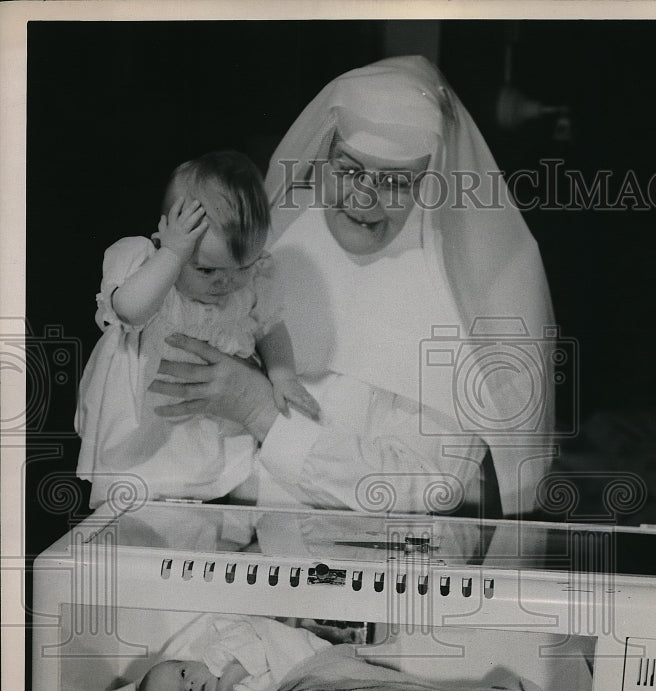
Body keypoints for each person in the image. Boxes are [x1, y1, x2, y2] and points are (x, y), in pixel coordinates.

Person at [79, 57, 556, 516]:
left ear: (432, 183)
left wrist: (258, 409)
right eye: (349, 170)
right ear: (324, 154)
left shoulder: (462, 297)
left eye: (396, 182)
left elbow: (432, 486)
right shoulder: (267, 249)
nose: (364, 199)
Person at [76, 150, 318, 505]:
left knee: (232, 486)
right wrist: (172, 255)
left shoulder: (250, 286)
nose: (227, 283)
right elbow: (129, 311)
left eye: (243, 266)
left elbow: (270, 328)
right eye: (206, 270)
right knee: (142, 499)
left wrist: (283, 376)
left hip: (212, 420)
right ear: (168, 235)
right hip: (147, 423)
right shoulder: (147, 265)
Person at [136, 615, 330, 691]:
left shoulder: (218, 656)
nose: (188, 686)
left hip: (317, 668)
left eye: (183, 673)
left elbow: (257, 643)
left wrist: (227, 681)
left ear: (190, 661)